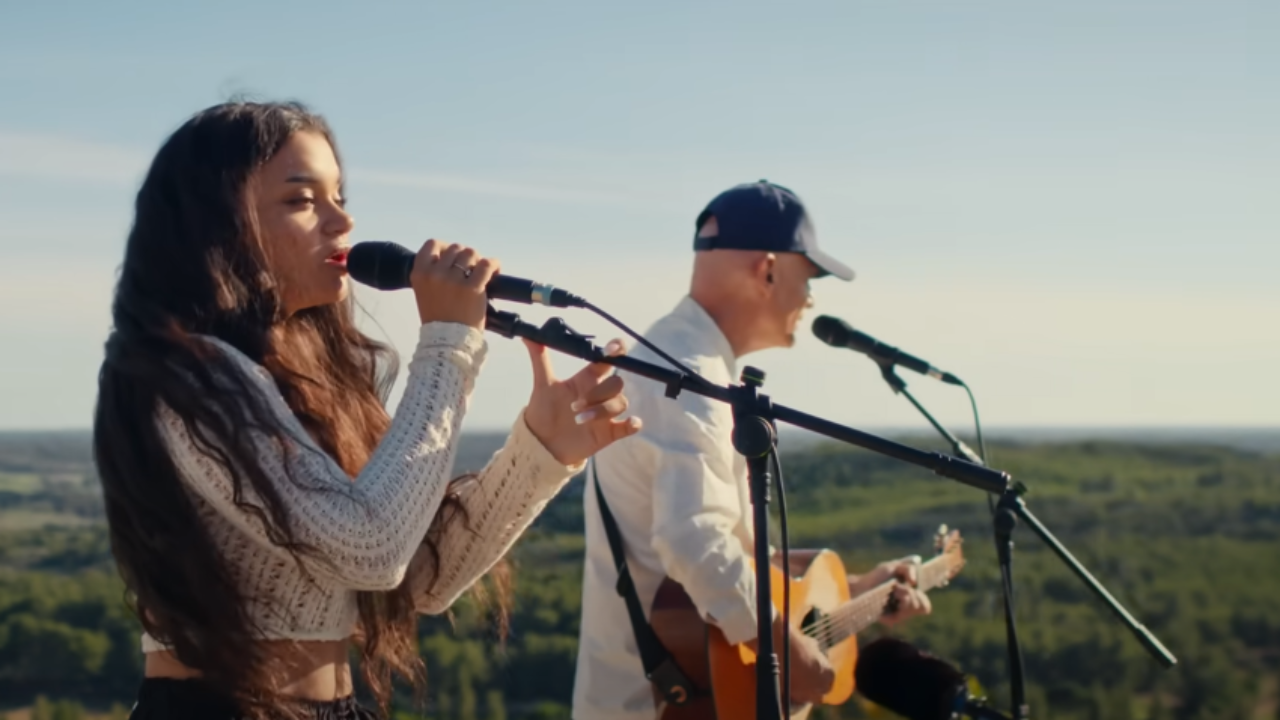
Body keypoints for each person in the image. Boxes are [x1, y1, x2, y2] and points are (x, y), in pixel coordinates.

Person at [93, 100, 641, 720]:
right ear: (214, 224)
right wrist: (448, 347)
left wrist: (540, 452)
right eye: (303, 200)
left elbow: (421, 577)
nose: (341, 222)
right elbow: (374, 550)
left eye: (341, 198)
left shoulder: (301, 376)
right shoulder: (187, 375)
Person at [571, 181, 935, 720]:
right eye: (809, 277)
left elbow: (728, 555)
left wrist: (857, 590)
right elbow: (694, 541)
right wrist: (788, 649)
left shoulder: (685, 360)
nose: (811, 298)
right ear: (767, 269)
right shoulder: (690, 375)